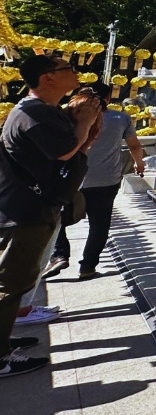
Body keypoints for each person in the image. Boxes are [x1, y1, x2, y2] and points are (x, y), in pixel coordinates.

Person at [0, 55, 98, 379]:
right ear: (48, 78)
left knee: (18, 280)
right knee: (9, 284)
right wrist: (83, 125)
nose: (75, 73)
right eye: (67, 69)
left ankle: (5, 340)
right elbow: (65, 151)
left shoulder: (39, 110)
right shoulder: (34, 113)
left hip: (28, 209)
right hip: (22, 213)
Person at [47, 82, 144, 280]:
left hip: (70, 178)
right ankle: (88, 266)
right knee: (99, 224)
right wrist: (139, 163)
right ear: (107, 98)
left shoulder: (70, 115)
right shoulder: (120, 118)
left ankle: (59, 254)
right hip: (106, 180)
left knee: (56, 217)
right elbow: (134, 145)